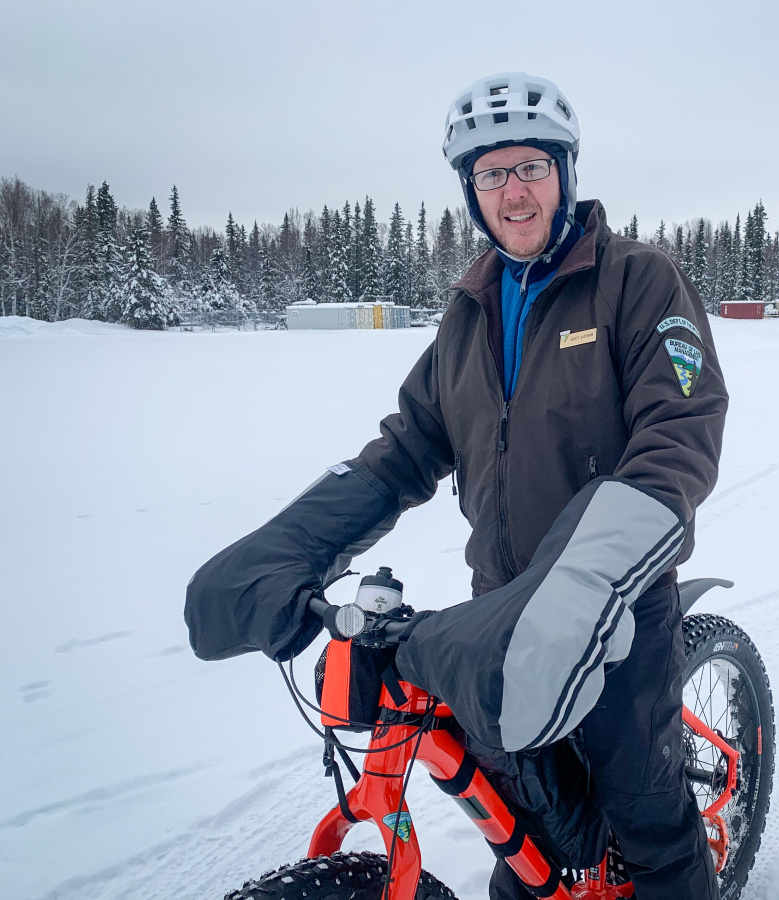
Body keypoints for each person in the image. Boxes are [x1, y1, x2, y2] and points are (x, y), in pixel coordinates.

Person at [185, 72, 727, 899]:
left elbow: (677, 435)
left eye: (531, 168)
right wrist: (291, 548)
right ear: (471, 193)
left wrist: (583, 578)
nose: (514, 192)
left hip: (617, 603)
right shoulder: (469, 310)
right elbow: (406, 448)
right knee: (529, 838)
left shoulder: (636, 280)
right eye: (491, 174)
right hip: (502, 609)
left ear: (565, 174)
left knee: (646, 819)